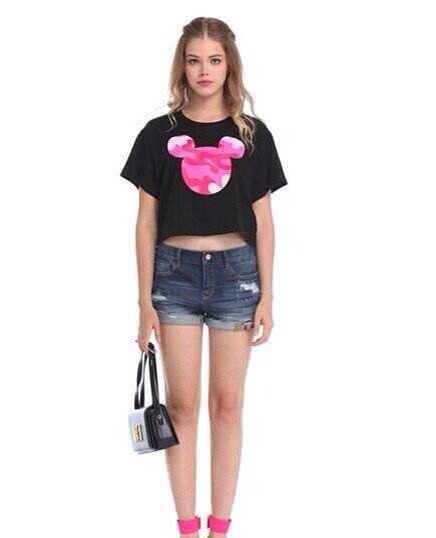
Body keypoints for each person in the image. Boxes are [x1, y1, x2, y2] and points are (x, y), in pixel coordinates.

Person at [120, 17, 288, 538]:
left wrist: (267, 294)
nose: (204, 70)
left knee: (227, 406)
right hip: (174, 276)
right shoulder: (158, 134)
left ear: (229, 66)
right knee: (182, 405)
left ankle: (220, 527)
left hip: (237, 276)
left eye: (214, 60)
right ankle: (187, 527)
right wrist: (144, 301)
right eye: (194, 60)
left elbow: (264, 221)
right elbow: (146, 221)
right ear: (182, 66)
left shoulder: (252, 135)